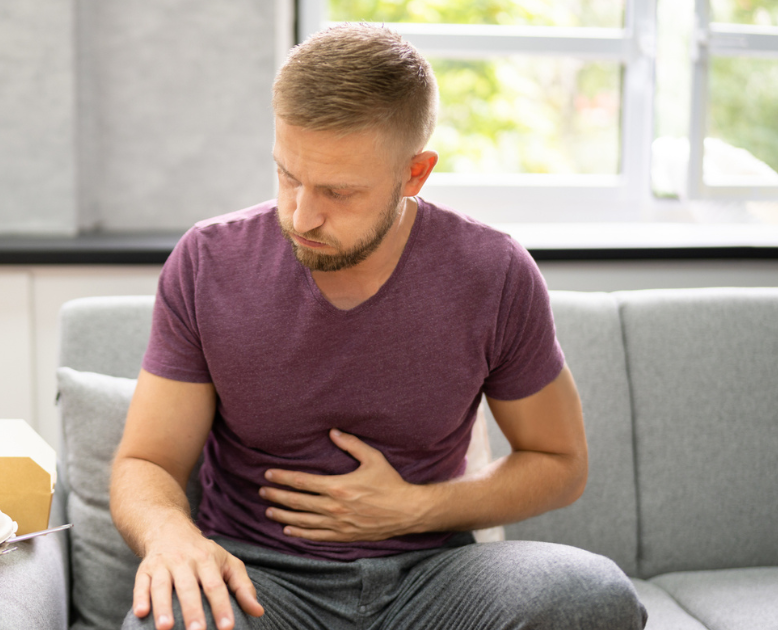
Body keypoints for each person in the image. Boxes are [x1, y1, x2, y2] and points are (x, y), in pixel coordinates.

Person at [111, 23, 647, 630]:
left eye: (340, 191)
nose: (301, 214)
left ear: (414, 174)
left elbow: (560, 461)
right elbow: (146, 461)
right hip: (259, 578)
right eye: (288, 175)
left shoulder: (493, 274)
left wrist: (413, 509)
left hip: (433, 576)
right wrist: (169, 535)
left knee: (593, 594)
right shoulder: (209, 261)